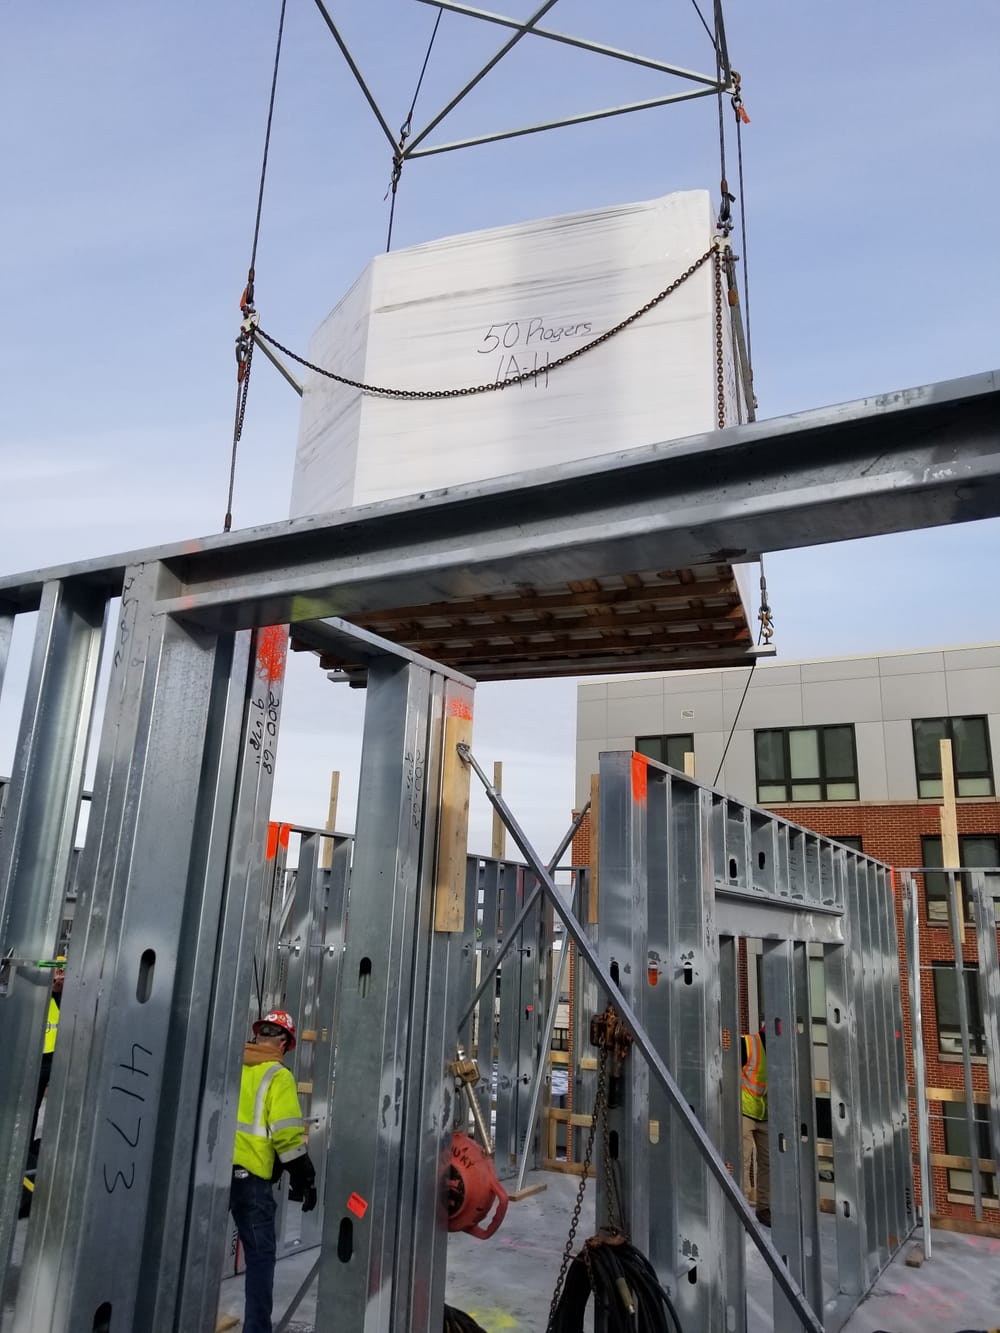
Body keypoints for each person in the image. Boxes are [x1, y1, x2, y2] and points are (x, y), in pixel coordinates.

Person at [232, 1009, 317, 1333]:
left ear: (257, 1035)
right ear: (284, 1043)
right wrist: (305, 1178)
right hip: (251, 1178)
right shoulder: (278, 1075)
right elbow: (285, 1136)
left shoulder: (232, 1065)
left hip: (214, 1175)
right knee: (260, 1256)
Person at [741, 1025, 770, 1227]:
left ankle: (764, 1208)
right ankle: (740, 1207)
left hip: (766, 1113)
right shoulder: (749, 1043)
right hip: (743, 1109)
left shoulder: (783, 1050)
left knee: (768, 1162)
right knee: (743, 1158)